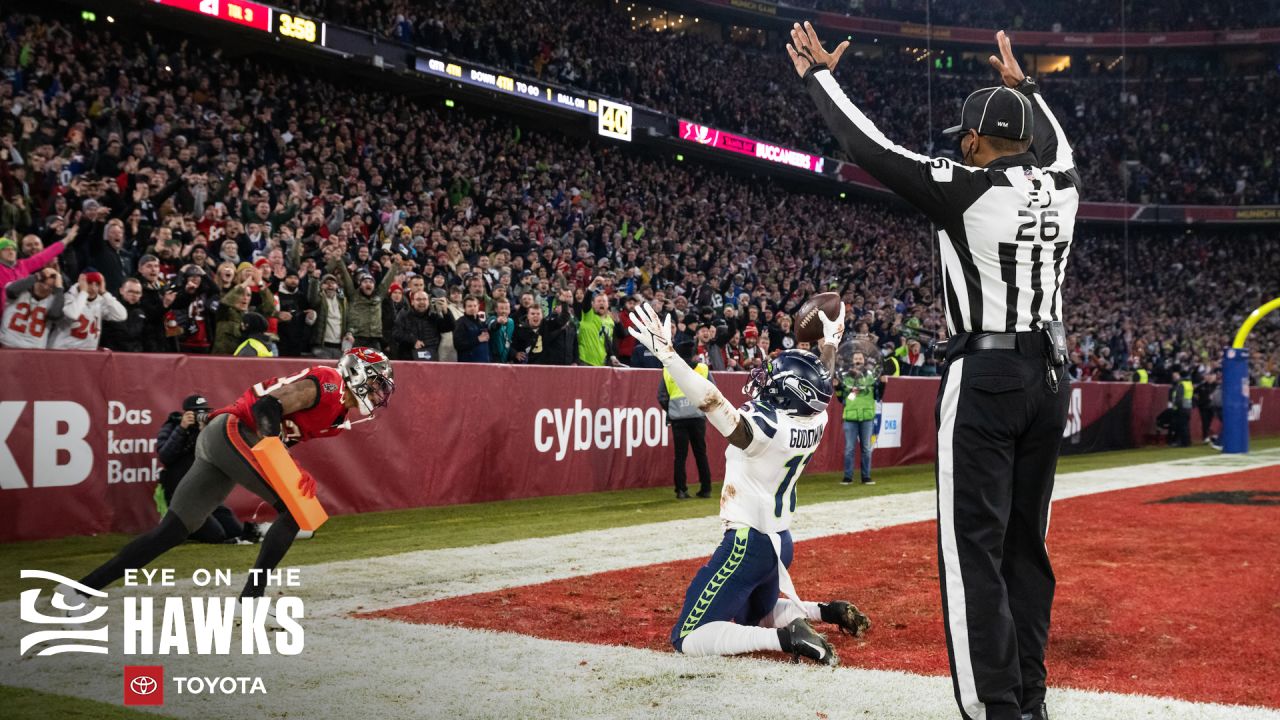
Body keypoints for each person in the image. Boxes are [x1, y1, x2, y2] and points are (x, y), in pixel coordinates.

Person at [792, 24, 1078, 720]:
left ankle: (994, 709)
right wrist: (1028, 92)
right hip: (1049, 377)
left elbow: (869, 149)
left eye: (964, 137)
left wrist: (818, 78)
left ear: (976, 141)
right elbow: (1057, 146)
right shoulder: (1065, 186)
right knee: (1024, 551)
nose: (958, 145)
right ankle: (1029, 701)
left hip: (986, 376)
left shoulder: (969, 190)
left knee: (970, 554)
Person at [628, 300, 870, 664]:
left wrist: (668, 355)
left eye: (772, 376)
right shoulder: (815, 419)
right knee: (751, 615)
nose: (763, 377)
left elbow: (711, 402)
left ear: (791, 392)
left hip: (748, 543)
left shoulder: (767, 429)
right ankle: (824, 612)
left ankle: (788, 638)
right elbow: (823, 378)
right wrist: (830, 341)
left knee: (688, 636)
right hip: (780, 543)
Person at [64, 348, 395, 603]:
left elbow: (279, 434)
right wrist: (284, 463)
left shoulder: (338, 417)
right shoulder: (329, 382)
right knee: (296, 509)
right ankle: (249, 601)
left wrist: (285, 458)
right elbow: (266, 408)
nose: (380, 393)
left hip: (229, 439)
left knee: (172, 531)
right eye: (377, 382)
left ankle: (79, 592)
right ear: (358, 374)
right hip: (234, 430)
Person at [155, 394, 252, 544]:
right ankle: (173, 528)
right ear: (186, 413)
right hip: (181, 496)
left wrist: (205, 432)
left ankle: (180, 527)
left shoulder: (207, 429)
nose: (200, 416)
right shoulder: (173, 425)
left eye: (203, 412)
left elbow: (219, 457)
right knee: (216, 535)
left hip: (204, 494)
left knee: (235, 531)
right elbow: (165, 456)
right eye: (196, 413)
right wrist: (182, 429)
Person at [659, 340, 713, 499]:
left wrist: (671, 411)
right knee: (701, 454)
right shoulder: (703, 369)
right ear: (693, 353)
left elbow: (661, 396)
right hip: (697, 418)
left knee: (680, 456)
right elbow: (713, 390)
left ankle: (681, 490)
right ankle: (706, 489)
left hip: (678, 419)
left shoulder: (668, 371)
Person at [0, 225, 75, 313]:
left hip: (23, 312)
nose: (10, 251)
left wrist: (66, 240)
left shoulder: (23, 264)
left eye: (13, 249)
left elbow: (46, 254)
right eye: (5, 249)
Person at [835, 351, 884, 486]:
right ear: (852, 361)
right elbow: (841, 398)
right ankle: (848, 477)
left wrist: (883, 384)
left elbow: (877, 396)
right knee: (849, 448)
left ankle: (866, 477)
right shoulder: (845, 377)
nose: (858, 360)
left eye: (860, 358)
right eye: (856, 358)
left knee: (866, 448)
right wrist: (837, 387)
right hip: (850, 416)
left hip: (867, 416)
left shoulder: (871, 376)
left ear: (864, 360)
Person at [48, 270, 126, 351]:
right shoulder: (68, 297)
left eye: (97, 284)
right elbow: (73, 314)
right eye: (89, 283)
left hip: (86, 355)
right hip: (62, 351)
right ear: (81, 283)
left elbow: (122, 315)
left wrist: (104, 292)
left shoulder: (100, 301)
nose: (93, 288)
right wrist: (84, 292)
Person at [1, 266, 65, 348]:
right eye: (43, 282)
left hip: (34, 351)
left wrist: (59, 289)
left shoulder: (54, 300)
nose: (45, 288)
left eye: (50, 287)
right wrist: (38, 276)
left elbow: (55, 315)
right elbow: (11, 290)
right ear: (36, 279)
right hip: (8, 345)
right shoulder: (20, 290)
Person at [393, 289, 455, 360]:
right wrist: (413, 341)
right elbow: (396, 333)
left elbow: (450, 327)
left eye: (424, 299)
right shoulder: (404, 314)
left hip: (430, 357)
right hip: (408, 357)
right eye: (418, 299)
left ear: (428, 302)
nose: (422, 302)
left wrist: (446, 312)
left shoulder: (434, 315)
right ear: (412, 302)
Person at [1168, 369, 1193, 447]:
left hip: (1181, 407)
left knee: (1182, 425)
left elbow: (1179, 397)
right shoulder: (1189, 384)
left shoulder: (1181, 384)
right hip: (1188, 405)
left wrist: (1176, 406)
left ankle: (1183, 442)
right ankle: (1187, 441)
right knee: (1185, 425)